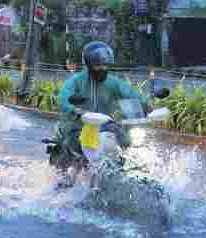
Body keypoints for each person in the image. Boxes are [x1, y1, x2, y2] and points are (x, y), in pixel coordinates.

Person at [52, 41, 151, 179]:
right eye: (98, 65)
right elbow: (64, 98)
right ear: (88, 65)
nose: (102, 68)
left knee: (124, 138)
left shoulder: (113, 82)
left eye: (105, 65)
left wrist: (145, 105)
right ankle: (67, 179)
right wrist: (76, 111)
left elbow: (130, 93)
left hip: (104, 126)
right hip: (77, 126)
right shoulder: (76, 81)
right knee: (74, 143)